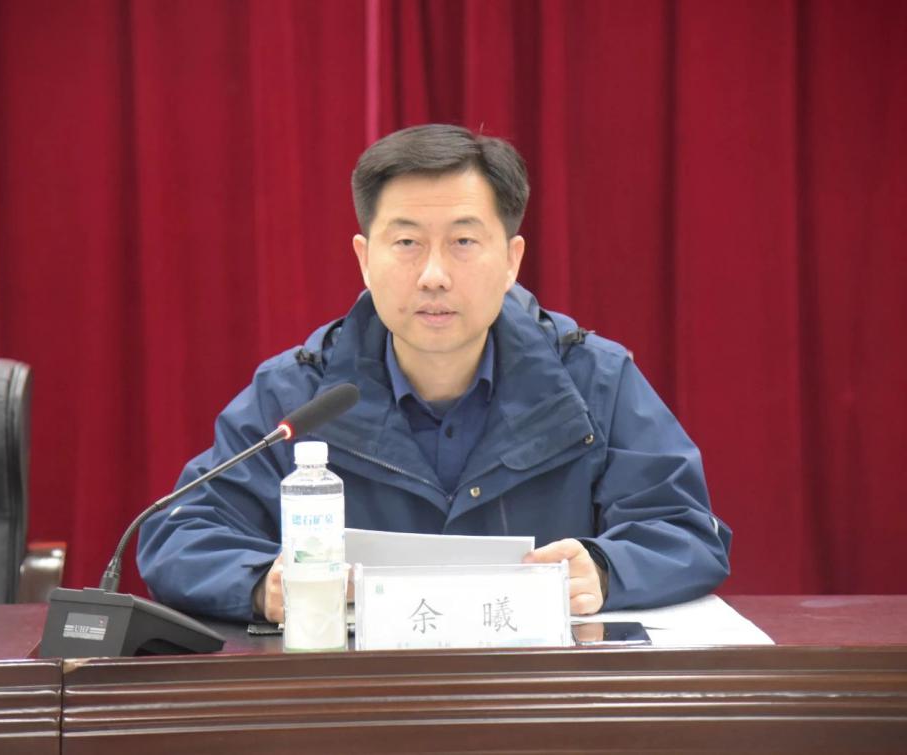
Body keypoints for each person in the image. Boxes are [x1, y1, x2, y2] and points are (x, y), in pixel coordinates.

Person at [137, 124, 731, 623]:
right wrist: (258, 583)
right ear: (364, 259)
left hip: (540, 698)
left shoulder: (594, 380)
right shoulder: (296, 395)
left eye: (464, 241)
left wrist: (603, 569)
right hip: (354, 699)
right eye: (406, 243)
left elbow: (684, 529)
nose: (434, 276)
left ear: (512, 260)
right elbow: (179, 535)